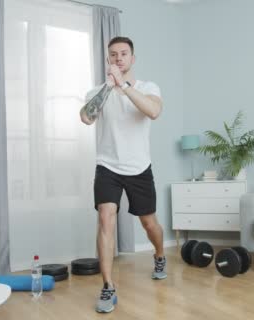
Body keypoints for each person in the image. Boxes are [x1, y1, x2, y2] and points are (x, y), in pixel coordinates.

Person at [80, 36, 165, 314]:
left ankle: (160, 255)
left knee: (149, 224)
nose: (119, 58)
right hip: (107, 165)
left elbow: (153, 111)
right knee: (106, 218)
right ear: (108, 60)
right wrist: (109, 87)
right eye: (113, 55)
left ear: (132, 59)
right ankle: (107, 286)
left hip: (139, 167)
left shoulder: (147, 88)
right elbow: (86, 117)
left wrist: (124, 86)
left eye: (124, 54)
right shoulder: (98, 91)